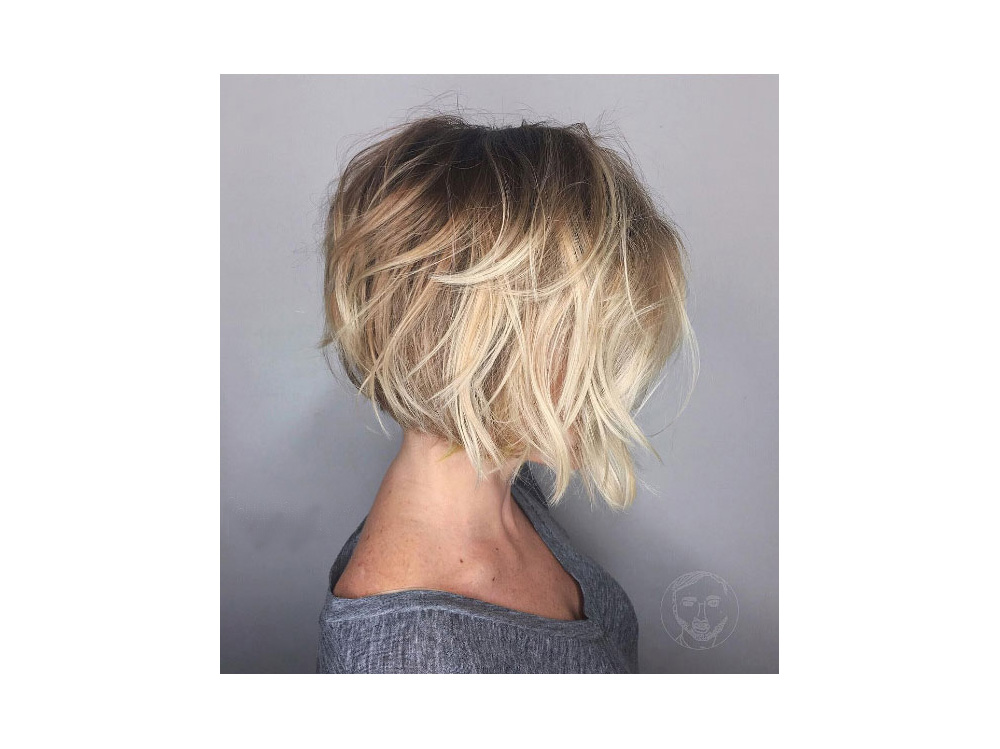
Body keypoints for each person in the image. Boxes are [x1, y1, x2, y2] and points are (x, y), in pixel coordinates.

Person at [315, 114, 692, 673]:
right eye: (591, 351)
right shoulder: (409, 661)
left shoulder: (510, 487)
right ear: (482, 355)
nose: (611, 390)